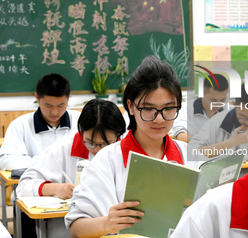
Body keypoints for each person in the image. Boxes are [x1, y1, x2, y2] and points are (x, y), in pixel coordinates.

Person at [65, 56, 195, 237]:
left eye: (168, 108)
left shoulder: (189, 155)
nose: (159, 118)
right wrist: (107, 223)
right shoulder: (107, 160)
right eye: (149, 109)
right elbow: (76, 228)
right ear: (131, 107)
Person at [16, 98, 125, 238]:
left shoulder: (125, 152)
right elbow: (23, 185)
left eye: (106, 144)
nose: (98, 150)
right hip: (68, 228)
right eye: (91, 143)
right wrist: (57, 189)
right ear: (81, 132)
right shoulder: (63, 149)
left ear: (118, 136)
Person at [0, 73, 81, 170]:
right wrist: (45, 161)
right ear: (37, 98)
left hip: (74, 182)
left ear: (68, 97)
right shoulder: (21, 125)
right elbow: (5, 161)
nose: (54, 112)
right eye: (48, 106)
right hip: (36, 182)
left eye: (61, 105)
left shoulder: (80, 121)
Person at [189, 82, 248, 159]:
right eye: (242, 116)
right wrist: (231, 142)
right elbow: (193, 151)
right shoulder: (216, 122)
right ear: (234, 104)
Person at [171, 73, 229, 142]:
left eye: (222, 100)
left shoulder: (227, 110)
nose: (218, 105)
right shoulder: (186, 109)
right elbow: (180, 136)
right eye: (213, 100)